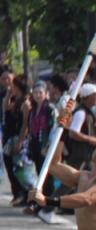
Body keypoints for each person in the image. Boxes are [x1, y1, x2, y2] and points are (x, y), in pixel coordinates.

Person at [21, 82, 58, 218]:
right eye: (35, 93)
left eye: (40, 92)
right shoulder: (33, 109)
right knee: (39, 175)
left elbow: (54, 129)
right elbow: (30, 129)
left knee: (47, 177)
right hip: (35, 146)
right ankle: (39, 203)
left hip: (46, 147)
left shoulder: (50, 109)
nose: (37, 95)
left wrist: (48, 146)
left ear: (46, 94)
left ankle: (48, 204)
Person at [65, 83, 96, 171]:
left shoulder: (88, 112)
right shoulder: (81, 113)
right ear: (88, 96)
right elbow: (73, 133)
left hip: (86, 156)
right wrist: (91, 140)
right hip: (81, 157)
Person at [2, 74, 29, 206]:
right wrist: (8, 94)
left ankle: (23, 193)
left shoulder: (25, 102)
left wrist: (21, 141)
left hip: (17, 137)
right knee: (8, 163)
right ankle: (16, 192)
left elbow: (25, 124)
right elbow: (5, 107)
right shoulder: (14, 99)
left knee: (18, 167)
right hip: (9, 136)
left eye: (12, 84)